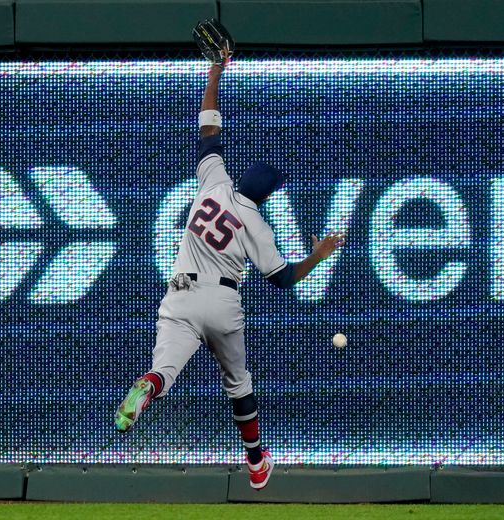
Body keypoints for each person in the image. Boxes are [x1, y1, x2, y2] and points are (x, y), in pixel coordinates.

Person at [114, 59, 346, 490]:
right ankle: (257, 462)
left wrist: (215, 74)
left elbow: (208, 130)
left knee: (164, 369)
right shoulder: (257, 225)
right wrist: (319, 253)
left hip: (180, 295)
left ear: (241, 178)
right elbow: (283, 279)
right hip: (222, 303)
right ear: (267, 195)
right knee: (238, 383)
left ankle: (148, 385)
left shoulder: (215, 183)